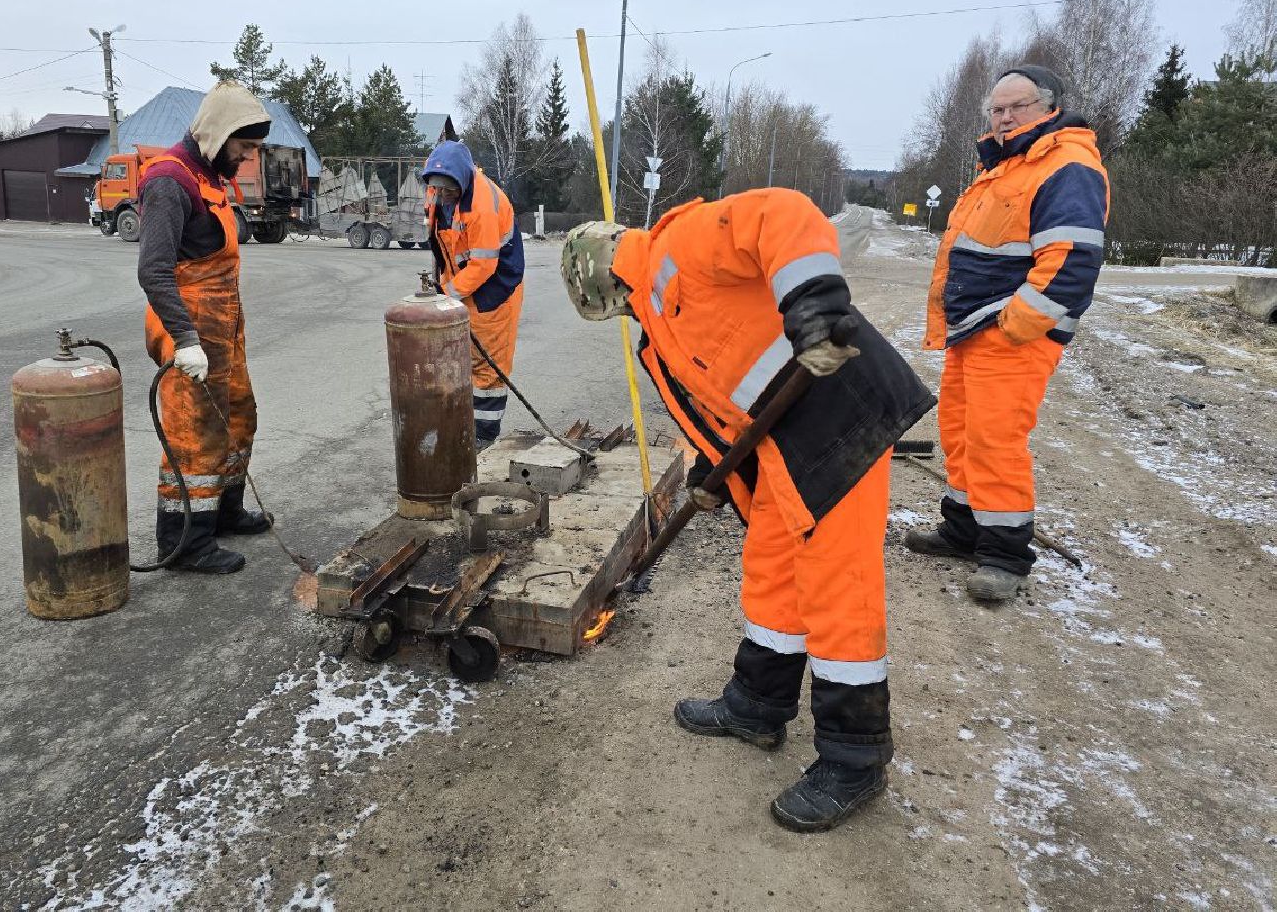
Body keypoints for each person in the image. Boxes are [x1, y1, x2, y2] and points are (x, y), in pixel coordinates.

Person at [559, 189, 933, 833]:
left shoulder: (682, 245)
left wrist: (813, 307)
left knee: (836, 595)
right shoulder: (656, 328)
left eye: (612, 306)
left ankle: (855, 758)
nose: (621, 314)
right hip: (783, 452)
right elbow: (717, 401)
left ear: (605, 279)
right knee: (770, 577)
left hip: (841, 419)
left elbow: (786, 216)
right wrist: (708, 473)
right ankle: (757, 705)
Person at [905, 65, 1109, 602]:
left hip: (1011, 332)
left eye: (1016, 107)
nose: (1004, 117)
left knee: (997, 440)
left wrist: (1016, 324)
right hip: (975, 330)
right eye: (996, 109)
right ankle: (964, 529)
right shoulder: (1005, 166)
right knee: (961, 432)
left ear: (1049, 107)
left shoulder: (1067, 165)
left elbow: (1072, 260)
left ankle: (1005, 553)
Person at [136, 81, 275, 574]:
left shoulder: (210, 175)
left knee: (238, 416)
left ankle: (225, 513)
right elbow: (153, 271)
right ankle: (185, 544)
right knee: (194, 434)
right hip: (189, 332)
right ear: (219, 135)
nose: (248, 157)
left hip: (223, 328)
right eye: (245, 146)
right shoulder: (169, 182)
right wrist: (186, 340)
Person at [422, 136, 525, 449]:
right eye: (438, 190)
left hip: (494, 289)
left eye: (449, 191)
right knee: (458, 359)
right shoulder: (436, 193)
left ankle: (484, 437)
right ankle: (460, 427)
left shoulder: (482, 206)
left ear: (462, 184)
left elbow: (483, 264)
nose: (443, 196)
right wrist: (442, 285)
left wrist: (447, 294)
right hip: (462, 283)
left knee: (487, 367)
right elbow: (441, 243)